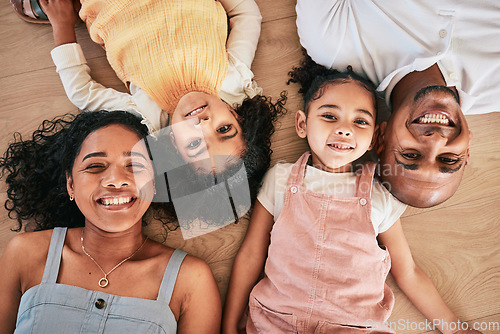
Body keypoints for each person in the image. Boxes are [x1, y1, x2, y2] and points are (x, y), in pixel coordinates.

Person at [222, 58, 482, 334]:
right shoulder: (281, 179)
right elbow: (251, 253)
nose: (344, 129)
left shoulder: (379, 195)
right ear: (302, 124)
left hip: (354, 326)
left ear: (373, 139)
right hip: (276, 321)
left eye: (360, 121)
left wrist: (455, 330)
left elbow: (407, 272)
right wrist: (228, 325)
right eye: (330, 116)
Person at [10, 0, 286, 198]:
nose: (203, 124)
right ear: (237, 115)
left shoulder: (148, 114)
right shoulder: (233, 79)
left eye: (193, 144)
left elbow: (83, 93)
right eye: (224, 130)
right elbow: (246, 15)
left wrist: (62, 24)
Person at [0, 111, 221, 333]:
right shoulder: (26, 253)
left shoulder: (191, 279)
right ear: (71, 184)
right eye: (95, 166)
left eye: (135, 166)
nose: (116, 180)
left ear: (153, 184)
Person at [295, 0, 500, 208]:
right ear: (467, 149)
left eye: (411, 155)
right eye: (448, 159)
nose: (436, 140)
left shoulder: (331, 41)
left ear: (380, 138)